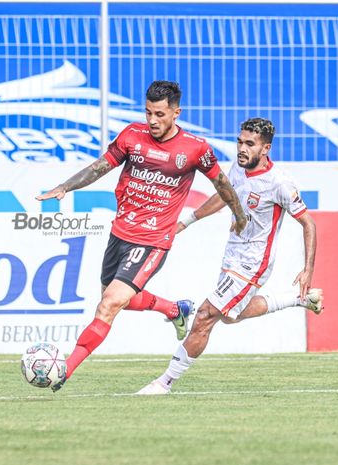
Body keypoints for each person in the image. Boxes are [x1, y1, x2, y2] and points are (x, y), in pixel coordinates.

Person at [36, 80, 247, 391]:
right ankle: (175, 309)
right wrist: (65, 187)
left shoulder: (195, 149)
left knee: (109, 303)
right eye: (148, 112)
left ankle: (65, 369)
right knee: (116, 299)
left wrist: (239, 215)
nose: (152, 120)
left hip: (152, 240)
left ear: (176, 112)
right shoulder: (132, 136)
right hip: (119, 233)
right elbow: (99, 168)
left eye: (160, 114)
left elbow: (223, 184)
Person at [137, 117, 324, 395]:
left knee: (205, 315)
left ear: (266, 148)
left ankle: (164, 382)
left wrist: (307, 270)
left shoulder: (280, 183)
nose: (242, 148)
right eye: (240, 141)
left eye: (250, 144)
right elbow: (226, 195)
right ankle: (298, 299)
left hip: (253, 263)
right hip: (232, 252)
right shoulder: (238, 166)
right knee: (230, 316)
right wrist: (186, 222)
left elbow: (309, 223)